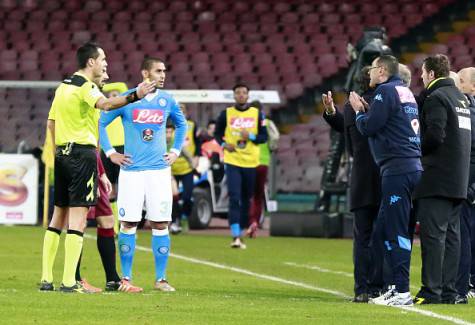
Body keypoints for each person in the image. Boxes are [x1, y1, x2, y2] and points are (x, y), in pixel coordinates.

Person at [39, 42, 154, 293]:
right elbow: (106, 105)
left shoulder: (63, 87)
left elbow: (51, 123)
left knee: (57, 216)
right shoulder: (86, 87)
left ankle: (47, 278)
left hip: (62, 153)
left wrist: (60, 150)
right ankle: (70, 282)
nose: (105, 63)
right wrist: (136, 94)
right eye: (102, 59)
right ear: (91, 61)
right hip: (82, 155)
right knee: (78, 220)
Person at [99, 56, 187, 292]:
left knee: (160, 223)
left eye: (164, 71)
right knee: (128, 223)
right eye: (158, 71)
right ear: (145, 74)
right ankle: (126, 279)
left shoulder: (166, 100)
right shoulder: (128, 99)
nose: (163, 75)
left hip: (159, 172)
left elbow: (182, 124)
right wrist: (110, 153)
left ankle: (161, 279)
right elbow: (100, 123)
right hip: (131, 172)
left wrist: (176, 151)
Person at [349, 54, 422, 306]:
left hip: (397, 169)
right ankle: (393, 286)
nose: (368, 74)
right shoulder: (405, 91)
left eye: (371, 70)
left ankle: (402, 291)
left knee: (396, 231)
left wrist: (359, 112)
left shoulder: (384, 91)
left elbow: (368, 128)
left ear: (382, 71)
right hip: (411, 166)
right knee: (383, 231)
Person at [413, 54, 471, 305]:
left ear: (432, 74)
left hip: (437, 177)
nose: (421, 77)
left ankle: (432, 291)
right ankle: (449, 291)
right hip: (458, 178)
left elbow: (435, 134)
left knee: (433, 237)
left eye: (423, 73)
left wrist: (415, 149)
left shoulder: (436, 97)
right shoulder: (461, 98)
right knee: (451, 238)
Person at [323, 66, 383, 303]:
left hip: (359, 177)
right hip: (385, 174)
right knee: (384, 234)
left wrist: (330, 112)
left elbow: (345, 124)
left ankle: (362, 289)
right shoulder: (388, 103)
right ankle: (381, 287)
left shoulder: (351, 107)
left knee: (362, 236)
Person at [215, 83, 268, 248]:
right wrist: (224, 145)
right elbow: (217, 134)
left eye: (244, 93)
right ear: (234, 96)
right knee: (234, 197)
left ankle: (243, 230)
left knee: (246, 198)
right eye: (238, 93)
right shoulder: (226, 114)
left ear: (248, 95)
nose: (241, 95)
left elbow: (264, 137)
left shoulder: (258, 114)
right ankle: (235, 235)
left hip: (251, 162)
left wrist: (251, 135)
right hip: (233, 161)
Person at [454, 67, 475, 303]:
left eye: (461, 80)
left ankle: (465, 283)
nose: (457, 84)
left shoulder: (468, 112)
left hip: (467, 182)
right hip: (465, 182)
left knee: (465, 234)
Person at [247, 100, 279, 238]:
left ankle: (247, 221)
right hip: (263, 162)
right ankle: (254, 222)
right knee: (257, 195)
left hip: (246, 162)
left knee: (245, 194)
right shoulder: (267, 123)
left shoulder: (246, 123)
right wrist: (271, 148)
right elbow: (275, 137)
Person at [170, 103, 199, 233]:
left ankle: (184, 216)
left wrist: (197, 157)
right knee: (173, 196)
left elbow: (198, 143)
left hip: (187, 167)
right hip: (172, 167)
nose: (180, 111)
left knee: (187, 196)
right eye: (178, 109)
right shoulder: (168, 127)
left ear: (186, 112)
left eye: (182, 109)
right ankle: (175, 221)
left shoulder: (191, 125)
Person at [100, 82, 127, 220]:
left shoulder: (124, 106)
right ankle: (114, 225)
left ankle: (124, 223)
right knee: (109, 189)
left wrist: (99, 86)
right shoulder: (104, 109)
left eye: (117, 95)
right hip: (107, 150)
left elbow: (122, 85)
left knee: (123, 189)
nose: (114, 97)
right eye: (111, 96)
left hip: (123, 148)